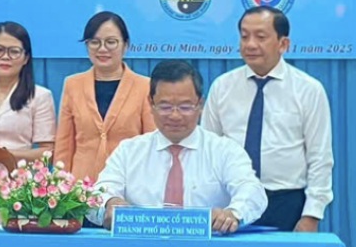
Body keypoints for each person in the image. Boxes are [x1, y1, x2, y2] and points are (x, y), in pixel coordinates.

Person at [88, 60, 267, 233]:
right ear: (151, 104)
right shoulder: (128, 151)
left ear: (200, 105)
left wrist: (232, 214)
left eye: (185, 107)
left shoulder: (224, 151)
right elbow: (98, 194)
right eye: (165, 107)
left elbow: (252, 191)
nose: (175, 116)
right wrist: (110, 203)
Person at [202, 6, 333, 232]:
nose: (250, 44)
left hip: (286, 203)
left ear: (283, 44)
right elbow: (208, 151)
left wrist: (312, 215)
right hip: (231, 204)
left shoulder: (308, 89)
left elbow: (320, 158)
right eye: (244, 36)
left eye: (260, 37)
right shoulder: (222, 87)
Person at [55, 11, 155, 186]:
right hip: (81, 189)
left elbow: (152, 143)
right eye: (94, 42)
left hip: (129, 184)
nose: (102, 49)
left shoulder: (144, 86)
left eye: (111, 42)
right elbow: (64, 145)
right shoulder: (72, 84)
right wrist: (60, 186)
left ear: (126, 45)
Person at [0, 22, 56, 162]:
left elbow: (48, 153)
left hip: (18, 179)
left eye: (14, 51)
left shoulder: (40, 96)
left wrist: (4, 155)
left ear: (26, 58)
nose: (5, 57)